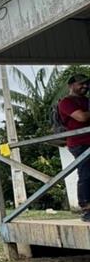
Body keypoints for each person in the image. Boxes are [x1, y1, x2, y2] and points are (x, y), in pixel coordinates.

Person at [58, 73, 90, 222]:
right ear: (71, 86)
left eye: (87, 83)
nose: (85, 86)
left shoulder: (86, 101)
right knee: (86, 173)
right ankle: (86, 208)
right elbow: (81, 117)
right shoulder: (66, 102)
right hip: (79, 143)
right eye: (81, 83)